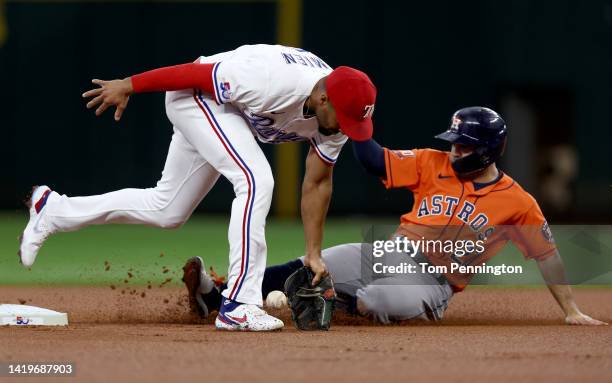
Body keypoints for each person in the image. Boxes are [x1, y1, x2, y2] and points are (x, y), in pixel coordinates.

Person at [18, 44, 377, 331]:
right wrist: (129, 84)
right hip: (195, 95)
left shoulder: (339, 115)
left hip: (226, 113)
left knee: (166, 209)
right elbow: (194, 73)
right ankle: (238, 304)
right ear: (324, 99)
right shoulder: (271, 79)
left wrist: (313, 252)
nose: (347, 128)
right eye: (344, 119)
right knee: (255, 179)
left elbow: (317, 182)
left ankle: (52, 210)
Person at [182, 106, 607, 326]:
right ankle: (216, 297)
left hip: (433, 283)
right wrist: (358, 121)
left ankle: (307, 306)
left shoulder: (518, 202)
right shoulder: (432, 161)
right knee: (312, 263)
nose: (454, 149)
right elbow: (374, 161)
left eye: (463, 146)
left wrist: (569, 309)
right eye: (454, 142)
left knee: (377, 300)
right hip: (389, 251)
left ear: (489, 151)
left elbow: (548, 255)